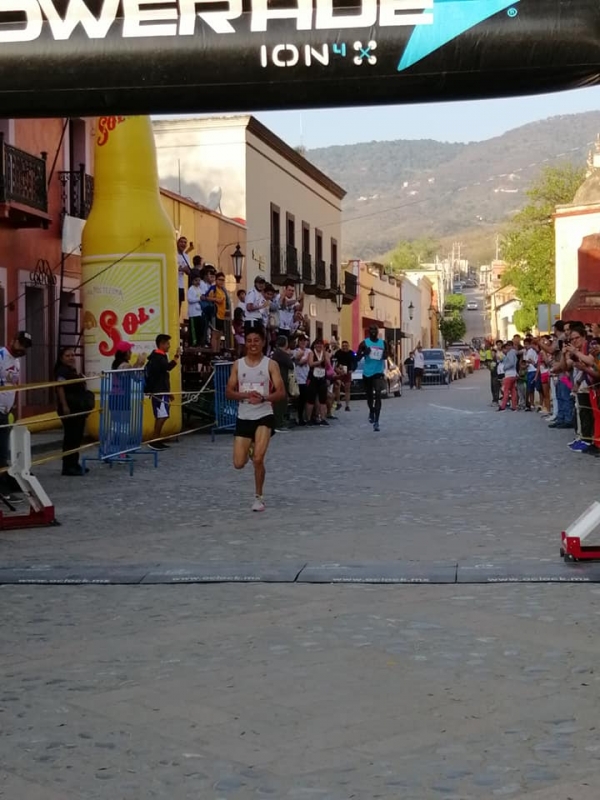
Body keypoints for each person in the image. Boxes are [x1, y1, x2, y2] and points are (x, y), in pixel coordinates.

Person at [225, 322, 286, 512]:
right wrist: (244, 395)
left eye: (256, 341)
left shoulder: (271, 364)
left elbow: (281, 392)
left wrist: (264, 397)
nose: (253, 344)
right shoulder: (238, 365)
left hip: (264, 414)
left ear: (262, 342)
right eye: (249, 341)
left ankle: (259, 497)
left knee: (258, 459)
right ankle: (251, 448)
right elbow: (229, 391)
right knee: (238, 463)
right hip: (244, 415)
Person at [0, 331, 31, 496]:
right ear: (13, 341)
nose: (22, 348)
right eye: (21, 344)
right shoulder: (1, 356)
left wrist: (12, 408)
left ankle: (6, 481)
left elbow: (14, 386)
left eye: (25, 346)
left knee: (4, 450)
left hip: (6, 411)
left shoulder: (17, 362)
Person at [55, 346, 93, 475]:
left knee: (77, 437)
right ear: (61, 358)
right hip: (69, 408)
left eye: (72, 355)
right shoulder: (61, 371)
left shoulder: (72, 370)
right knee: (70, 438)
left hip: (78, 408)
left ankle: (75, 464)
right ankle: (67, 466)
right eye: (68, 355)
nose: (71, 358)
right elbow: (60, 388)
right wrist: (64, 405)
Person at [143, 333, 180, 451]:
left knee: (162, 415)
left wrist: (168, 393)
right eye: (167, 343)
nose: (169, 346)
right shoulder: (158, 357)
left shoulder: (157, 357)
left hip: (161, 390)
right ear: (161, 344)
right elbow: (167, 368)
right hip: (159, 391)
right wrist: (176, 357)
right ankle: (154, 440)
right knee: (162, 415)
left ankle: (157, 440)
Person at [357, 325, 388, 431]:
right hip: (367, 373)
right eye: (371, 330)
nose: (373, 332)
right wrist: (363, 353)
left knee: (378, 395)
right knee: (369, 396)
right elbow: (357, 357)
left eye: (375, 330)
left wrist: (384, 355)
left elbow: (387, 355)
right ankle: (371, 410)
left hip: (378, 373)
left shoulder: (383, 343)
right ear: (368, 332)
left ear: (378, 331)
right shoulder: (364, 343)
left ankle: (377, 421)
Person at [270, 335, 295, 431]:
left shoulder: (276, 353)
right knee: (280, 402)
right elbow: (290, 365)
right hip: (281, 380)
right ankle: (278, 423)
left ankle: (279, 421)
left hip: (277, 379)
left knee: (280, 401)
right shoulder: (281, 353)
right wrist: (288, 355)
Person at [305, 338, 331, 426]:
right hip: (313, 378)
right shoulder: (311, 353)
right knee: (310, 400)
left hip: (322, 377)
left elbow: (328, 365)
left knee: (323, 400)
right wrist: (319, 362)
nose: (319, 346)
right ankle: (308, 419)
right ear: (314, 345)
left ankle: (323, 418)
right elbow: (310, 364)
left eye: (321, 344)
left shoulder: (325, 353)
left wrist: (325, 357)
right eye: (317, 344)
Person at [206, 271, 229, 352]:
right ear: (216, 280)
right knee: (215, 334)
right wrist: (215, 299)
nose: (222, 282)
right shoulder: (213, 288)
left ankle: (218, 352)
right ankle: (214, 352)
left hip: (222, 315)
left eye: (223, 280)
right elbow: (205, 297)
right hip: (215, 314)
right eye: (220, 279)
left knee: (219, 335)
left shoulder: (223, 290)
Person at [332, 340, 355, 411]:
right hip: (339, 372)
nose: (344, 347)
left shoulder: (351, 353)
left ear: (348, 346)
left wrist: (352, 370)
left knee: (347, 389)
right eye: (343, 346)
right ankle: (338, 402)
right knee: (337, 386)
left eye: (346, 346)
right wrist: (336, 369)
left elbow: (355, 363)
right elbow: (334, 363)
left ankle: (347, 405)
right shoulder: (338, 353)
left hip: (348, 373)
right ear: (341, 346)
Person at [293, 333, 311, 425]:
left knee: (306, 399)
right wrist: (305, 359)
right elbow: (298, 362)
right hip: (299, 378)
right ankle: (299, 417)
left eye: (304, 340)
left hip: (307, 377)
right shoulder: (296, 351)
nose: (303, 342)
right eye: (301, 340)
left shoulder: (309, 351)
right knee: (300, 399)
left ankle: (304, 417)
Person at [187, 270, 203, 347]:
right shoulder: (191, 289)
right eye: (196, 280)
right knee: (193, 329)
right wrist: (199, 299)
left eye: (199, 280)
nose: (198, 282)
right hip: (193, 313)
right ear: (193, 281)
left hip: (199, 312)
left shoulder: (199, 289)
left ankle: (199, 342)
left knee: (199, 329)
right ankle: (193, 342)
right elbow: (190, 299)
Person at [176, 236, 192, 311]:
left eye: (185, 242)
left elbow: (188, 272)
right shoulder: (173, 254)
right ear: (177, 243)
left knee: (179, 306)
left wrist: (187, 270)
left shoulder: (186, 256)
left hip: (181, 285)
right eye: (181, 242)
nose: (183, 244)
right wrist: (182, 268)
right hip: (173, 285)